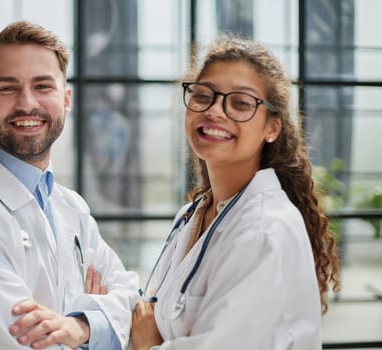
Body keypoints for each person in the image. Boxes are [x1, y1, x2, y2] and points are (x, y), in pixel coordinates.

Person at [0, 20, 138, 350]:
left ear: (66, 100)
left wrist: (79, 326)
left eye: (42, 86)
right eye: (7, 88)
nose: (27, 104)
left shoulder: (72, 207)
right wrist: (99, 326)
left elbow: (133, 303)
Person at [131, 35, 340, 349]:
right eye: (204, 96)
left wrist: (148, 344)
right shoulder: (194, 214)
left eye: (241, 103)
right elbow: (148, 311)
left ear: (272, 128)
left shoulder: (264, 230)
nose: (215, 111)